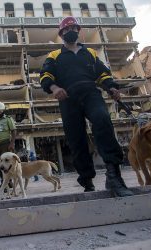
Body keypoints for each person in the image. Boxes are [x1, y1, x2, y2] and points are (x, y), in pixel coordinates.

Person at [39, 16, 133, 197]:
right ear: (61, 34)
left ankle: (114, 176)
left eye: (73, 28)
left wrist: (112, 87)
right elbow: (45, 75)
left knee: (103, 120)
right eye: (66, 30)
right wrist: (54, 87)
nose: (70, 31)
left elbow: (102, 74)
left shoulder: (89, 52)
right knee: (76, 138)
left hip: (91, 93)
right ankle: (87, 180)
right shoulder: (54, 55)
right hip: (67, 98)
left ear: (78, 30)